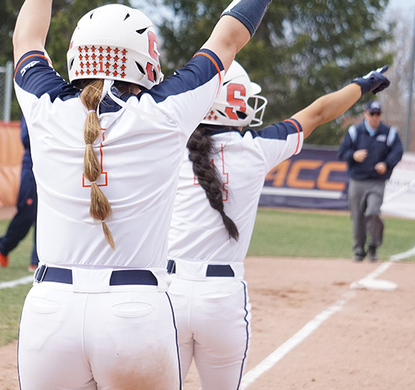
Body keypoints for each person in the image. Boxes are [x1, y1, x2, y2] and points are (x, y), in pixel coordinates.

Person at [12, 0, 304, 389]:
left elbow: (27, 38)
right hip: (134, 312)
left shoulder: (45, 104)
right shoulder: (165, 113)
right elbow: (228, 39)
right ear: (145, 62)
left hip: (49, 309)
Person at [167, 61, 390, 389]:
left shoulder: (167, 147)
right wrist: (365, 83)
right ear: (234, 104)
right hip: (222, 296)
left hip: (169, 292)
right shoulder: (257, 149)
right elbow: (318, 112)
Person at [338, 100, 403, 262]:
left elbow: (398, 152)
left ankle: (373, 245)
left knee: (373, 212)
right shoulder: (355, 131)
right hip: (357, 180)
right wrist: (353, 155)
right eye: (372, 113)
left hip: (377, 181)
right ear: (365, 114)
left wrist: (386, 163)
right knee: (357, 216)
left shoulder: (389, 133)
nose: (375, 117)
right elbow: (341, 153)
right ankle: (359, 249)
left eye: (378, 114)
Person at [0, 115, 39, 272]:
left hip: (54, 165)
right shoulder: (34, 100)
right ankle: (5, 245)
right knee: (27, 213)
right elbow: (26, 138)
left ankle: (38, 260)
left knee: (47, 213)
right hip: (32, 166)